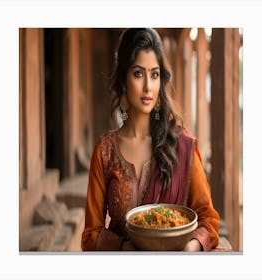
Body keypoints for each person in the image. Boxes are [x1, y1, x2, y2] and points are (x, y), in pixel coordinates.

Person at [81, 28, 220, 251]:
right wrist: (124, 247)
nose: (148, 86)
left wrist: (191, 247)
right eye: (138, 73)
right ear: (124, 81)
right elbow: (90, 236)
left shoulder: (180, 145)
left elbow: (209, 221)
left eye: (154, 74)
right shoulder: (105, 151)